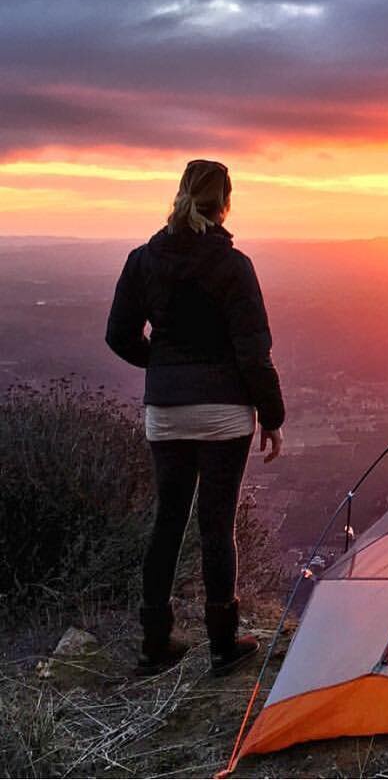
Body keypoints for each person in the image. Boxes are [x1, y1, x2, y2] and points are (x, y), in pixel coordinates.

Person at [106, 159, 285, 676]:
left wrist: (164, 369)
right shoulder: (234, 266)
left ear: (181, 195)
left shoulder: (144, 261)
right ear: (225, 202)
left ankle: (154, 642)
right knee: (216, 526)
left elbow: (119, 335)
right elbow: (253, 353)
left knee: (167, 521)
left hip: (166, 412)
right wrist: (272, 416)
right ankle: (224, 644)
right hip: (226, 413)